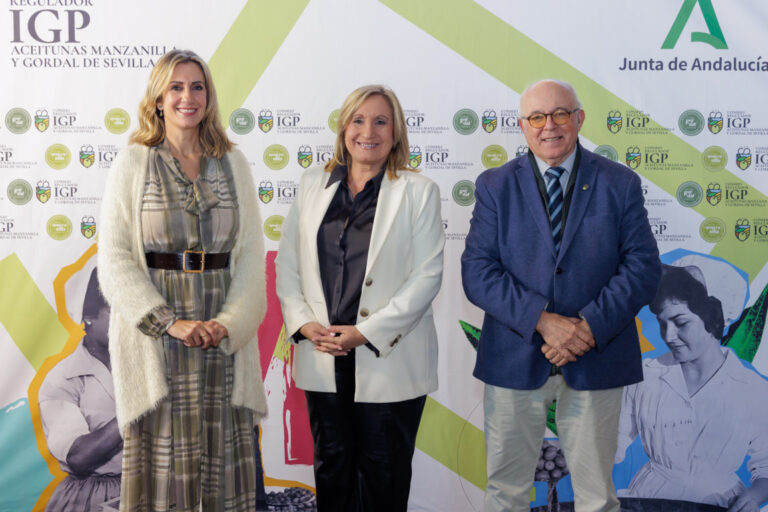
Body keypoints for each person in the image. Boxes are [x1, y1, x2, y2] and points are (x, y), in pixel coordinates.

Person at [461, 79, 661, 512]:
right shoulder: (494, 186)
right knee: (505, 493)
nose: (548, 126)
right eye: (537, 117)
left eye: (560, 114)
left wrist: (586, 328)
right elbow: (477, 273)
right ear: (523, 126)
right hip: (514, 359)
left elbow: (642, 267)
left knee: (596, 497)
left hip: (597, 356)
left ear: (579, 119)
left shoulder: (619, 183)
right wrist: (544, 321)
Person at [97, 49, 267, 512]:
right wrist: (169, 323)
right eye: (175, 87)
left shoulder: (234, 164)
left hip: (222, 341)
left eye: (197, 87)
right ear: (157, 98)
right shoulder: (133, 163)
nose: (187, 97)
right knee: (163, 471)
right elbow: (112, 259)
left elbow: (252, 254)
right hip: (157, 341)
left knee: (223, 464)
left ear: (209, 98)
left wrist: (229, 322)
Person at [275, 84, 444, 512]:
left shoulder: (418, 191)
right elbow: (289, 263)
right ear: (343, 127)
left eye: (381, 121)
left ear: (396, 132)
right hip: (322, 354)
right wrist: (302, 323)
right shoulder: (313, 184)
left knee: (384, 481)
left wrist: (364, 333)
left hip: (389, 360)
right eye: (358, 119)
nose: (368, 131)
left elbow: (426, 278)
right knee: (332, 474)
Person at [616, 264, 768, 512]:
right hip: (650, 499)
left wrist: (753, 498)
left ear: (713, 319)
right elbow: (612, 441)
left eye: (680, 322)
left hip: (720, 504)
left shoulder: (753, 390)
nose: (668, 336)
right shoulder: (645, 376)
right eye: (662, 324)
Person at [39, 268, 122, 511]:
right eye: (115, 310)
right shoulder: (62, 379)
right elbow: (79, 458)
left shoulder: (149, 366)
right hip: (89, 498)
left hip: (150, 489)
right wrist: (134, 410)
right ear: (89, 316)